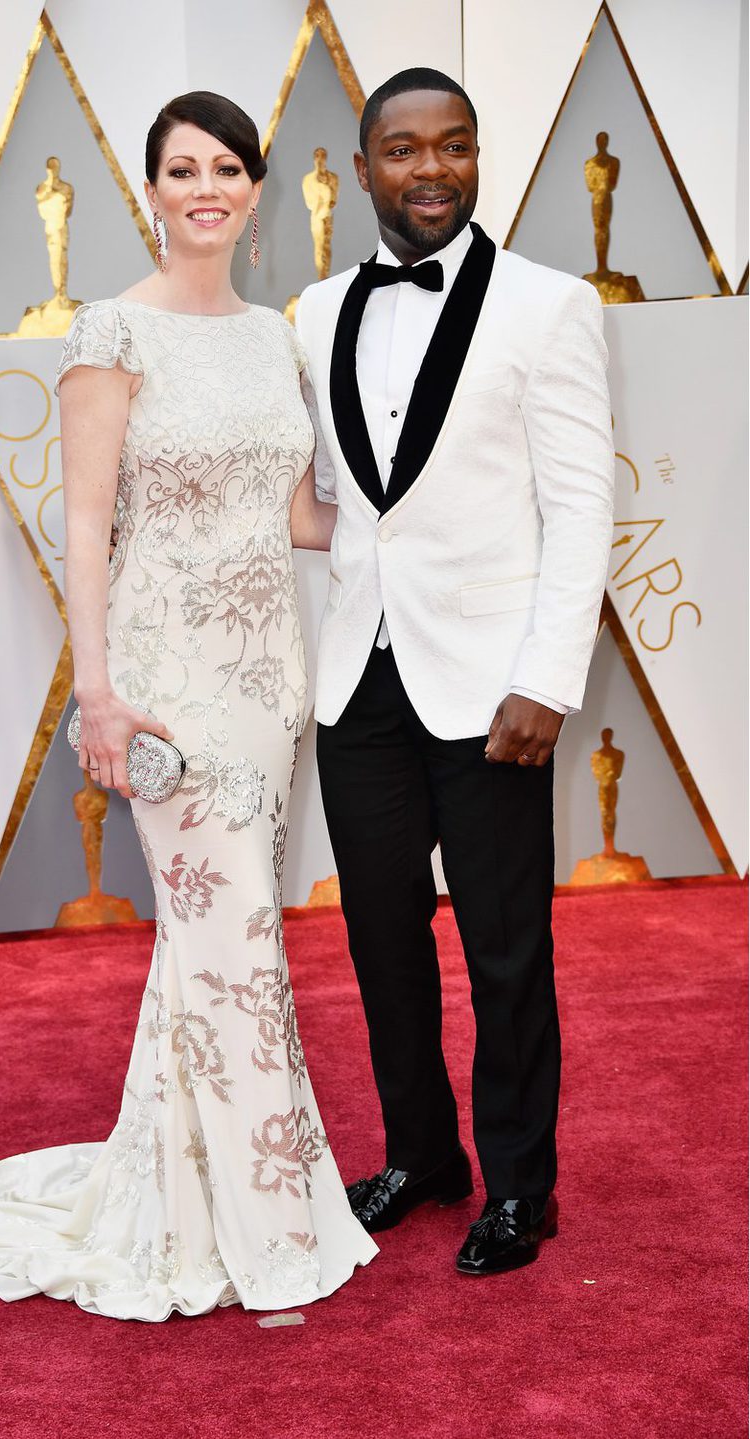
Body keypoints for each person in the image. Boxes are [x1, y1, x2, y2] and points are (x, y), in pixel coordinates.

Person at [0, 91, 376, 1320]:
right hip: (166, 689)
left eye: (226, 167)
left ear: (256, 192)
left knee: (212, 949)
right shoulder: (112, 331)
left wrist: (434, 516)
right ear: (150, 193)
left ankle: (190, 1194)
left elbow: (299, 511)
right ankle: (269, 1218)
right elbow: (86, 523)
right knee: (237, 942)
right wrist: (96, 691)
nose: (205, 186)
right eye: (180, 169)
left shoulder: (276, 337)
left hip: (270, 685)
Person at [294, 68, 614, 1275]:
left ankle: (522, 1188)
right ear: (364, 166)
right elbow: (338, 501)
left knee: (505, 947)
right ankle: (423, 1153)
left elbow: (581, 507)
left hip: (494, 688)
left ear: (478, 158)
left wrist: (548, 676)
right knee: (382, 937)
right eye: (405, 149)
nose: (432, 168)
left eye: (456, 146)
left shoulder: (549, 304)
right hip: (357, 681)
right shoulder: (318, 311)